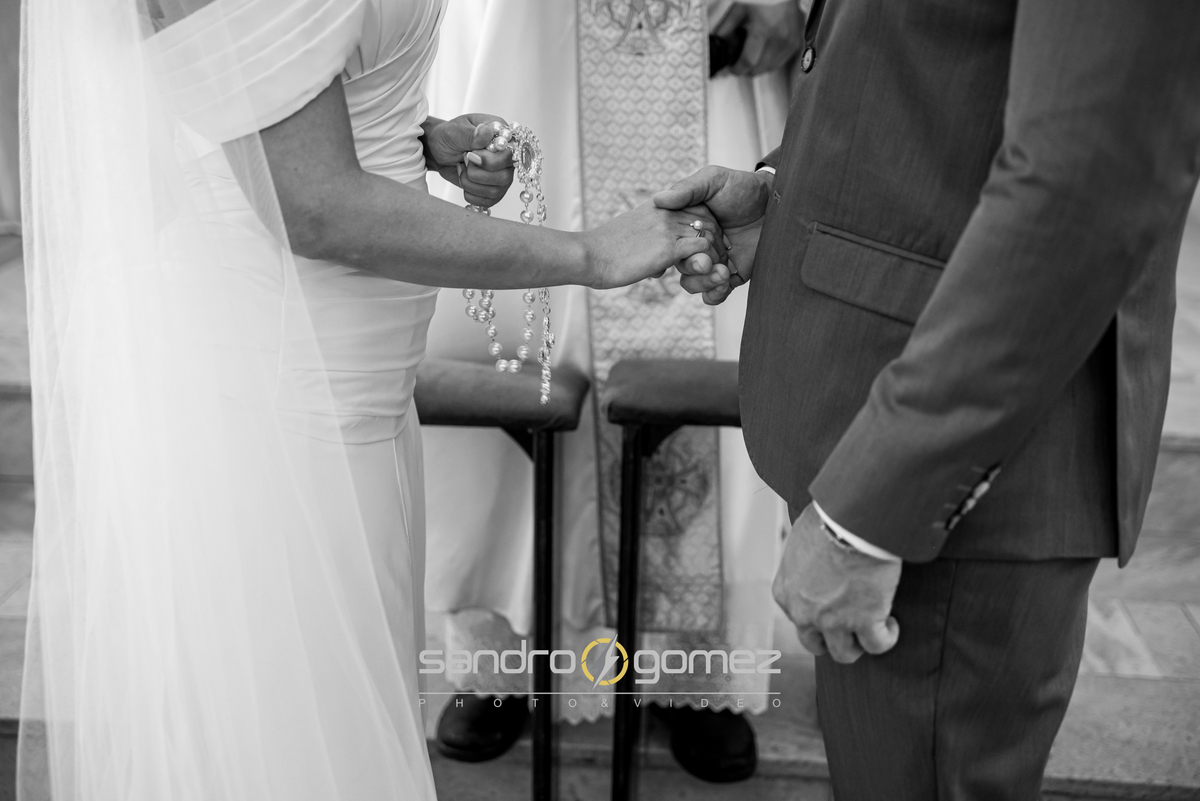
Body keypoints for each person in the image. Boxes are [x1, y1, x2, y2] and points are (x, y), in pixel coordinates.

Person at [17, 0, 725, 798]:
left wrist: (412, 136)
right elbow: (314, 205)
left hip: (366, 379)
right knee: (298, 732)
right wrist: (590, 253)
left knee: (345, 698)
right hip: (287, 380)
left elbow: (265, 88)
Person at [663, 0, 1200, 798]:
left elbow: (1084, 181)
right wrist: (785, 193)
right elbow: (936, 67)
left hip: (948, 482)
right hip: (884, 411)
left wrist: (867, 515)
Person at [422, 0, 796, 782]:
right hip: (530, 44)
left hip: (700, 44)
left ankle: (691, 668)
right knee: (520, 329)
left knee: (714, 315)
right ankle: (502, 656)